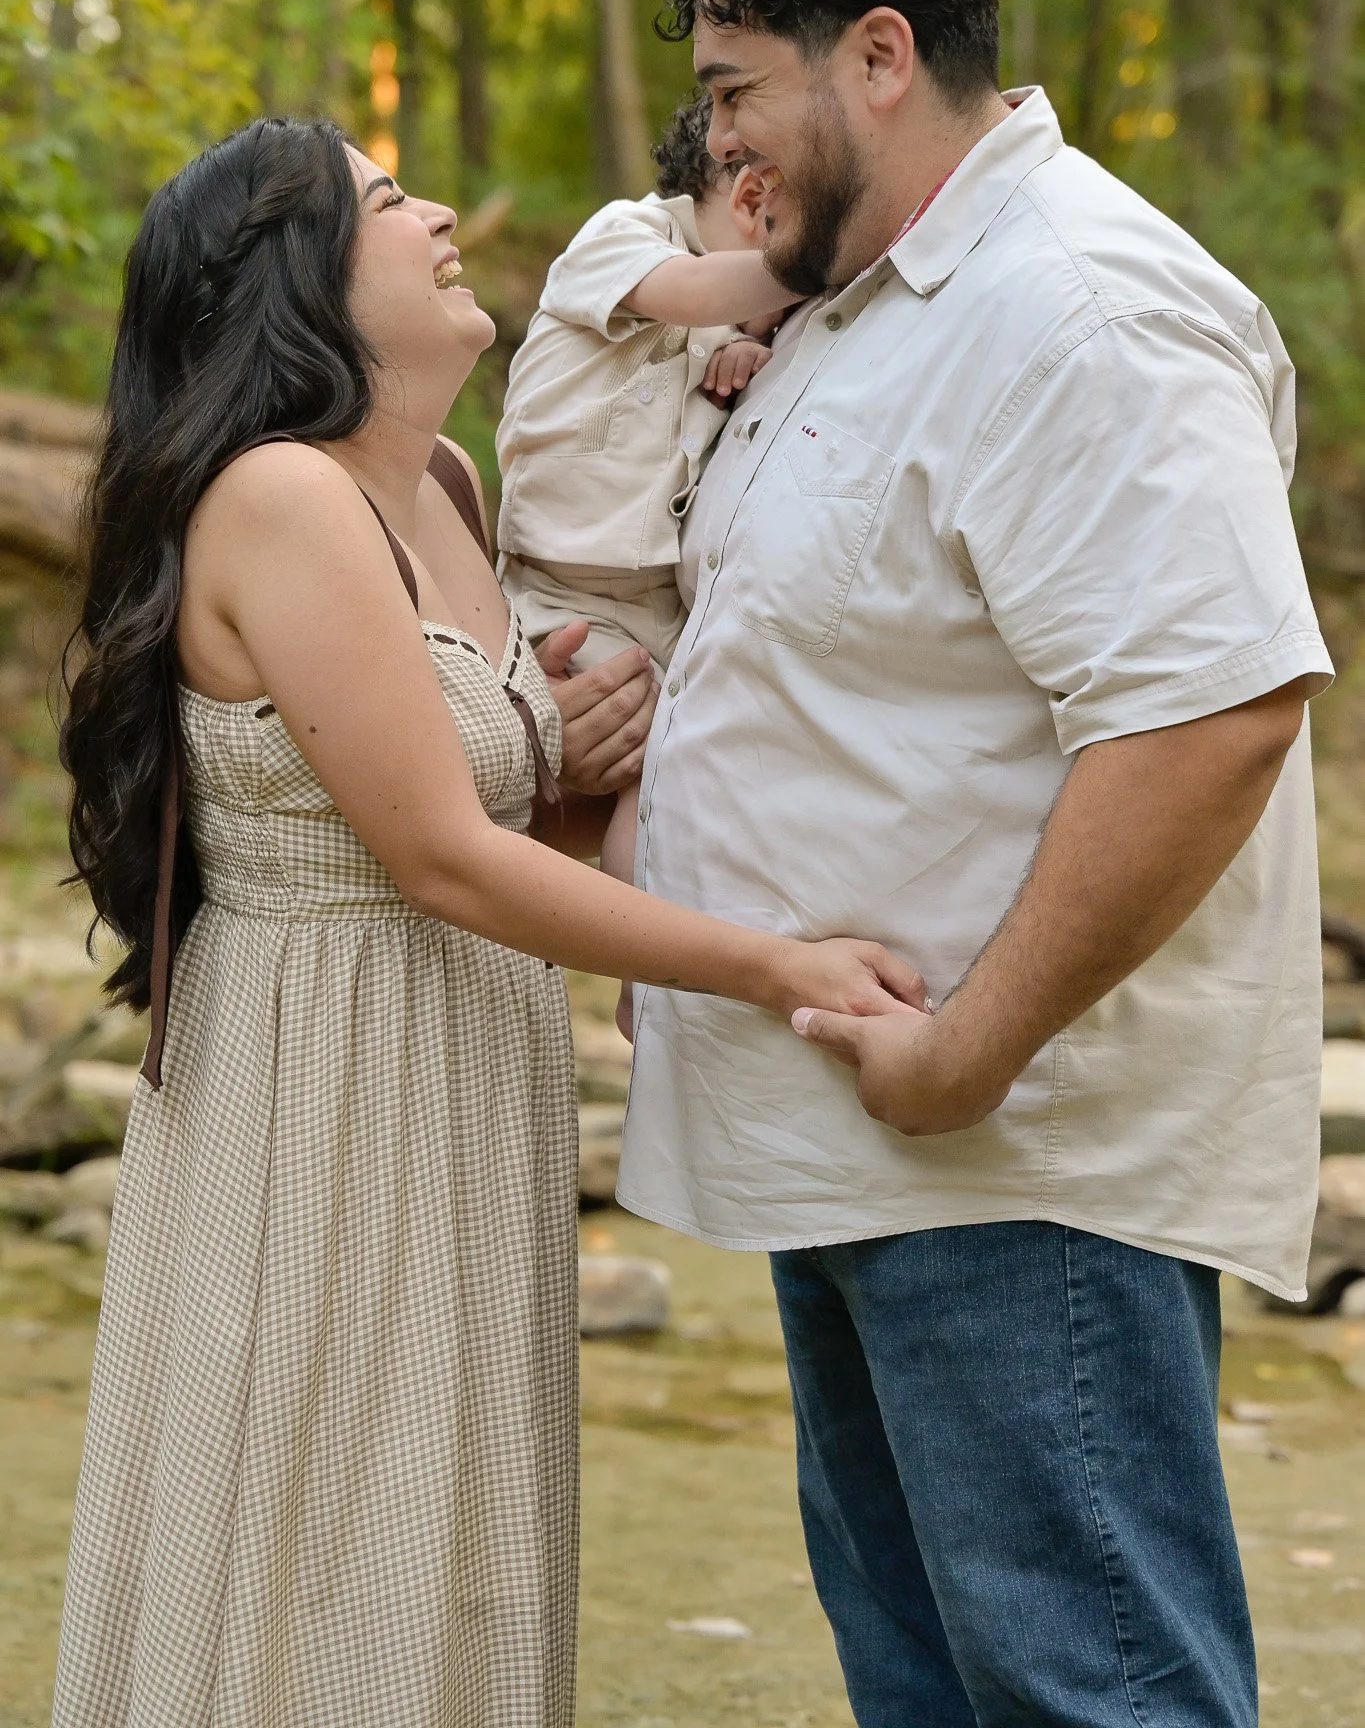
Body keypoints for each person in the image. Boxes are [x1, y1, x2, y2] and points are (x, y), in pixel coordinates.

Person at [51, 115, 919, 1728]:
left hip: (461, 1058)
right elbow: (443, 856)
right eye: (388, 201)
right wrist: (772, 964)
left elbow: (498, 817)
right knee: (324, 1515)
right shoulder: (281, 497)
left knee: (446, 1509)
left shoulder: (446, 484)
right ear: (295, 278)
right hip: (320, 1086)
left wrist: (588, 765)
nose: (442, 213)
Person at [615, 0, 1333, 1728]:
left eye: (732, 91)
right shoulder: (864, 306)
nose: (719, 146)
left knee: (1090, 1698)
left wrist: (975, 1045)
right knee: (932, 1692)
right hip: (862, 1145)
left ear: (875, 55)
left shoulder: (1080, 307)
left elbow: (1209, 713)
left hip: (1012, 1167)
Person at [495, 90, 796, 683]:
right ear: (750, 200)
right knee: (620, 726)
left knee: (670, 729)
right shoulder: (622, 237)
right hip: (562, 588)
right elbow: (696, 293)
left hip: (666, 602)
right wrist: (822, 263)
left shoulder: (723, 322)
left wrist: (737, 353)